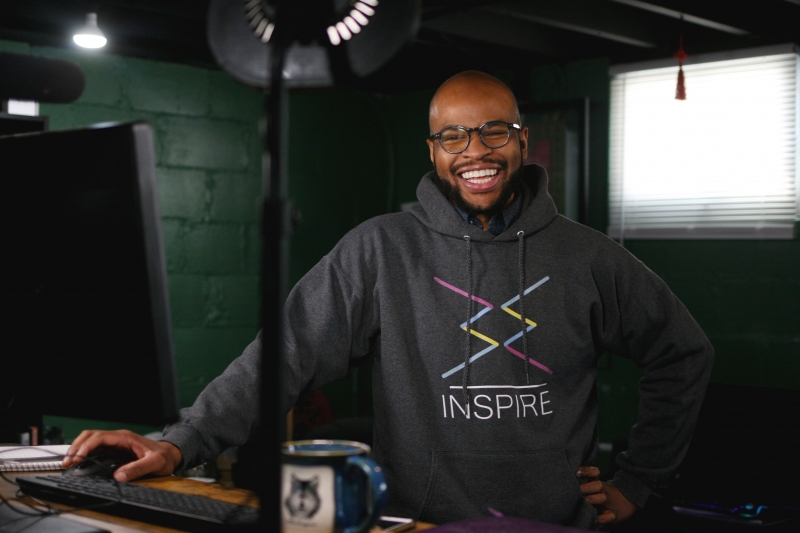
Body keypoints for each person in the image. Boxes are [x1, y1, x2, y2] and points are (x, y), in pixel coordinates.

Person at [64, 71, 714, 528]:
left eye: (494, 132)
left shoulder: (589, 256)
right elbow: (280, 358)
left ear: (521, 140)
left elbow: (683, 353)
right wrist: (180, 442)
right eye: (453, 137)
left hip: (551, 526)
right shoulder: (379, 249)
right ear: (432, 151)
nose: (475, 152)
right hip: (415, 524)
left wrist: (636, 480)